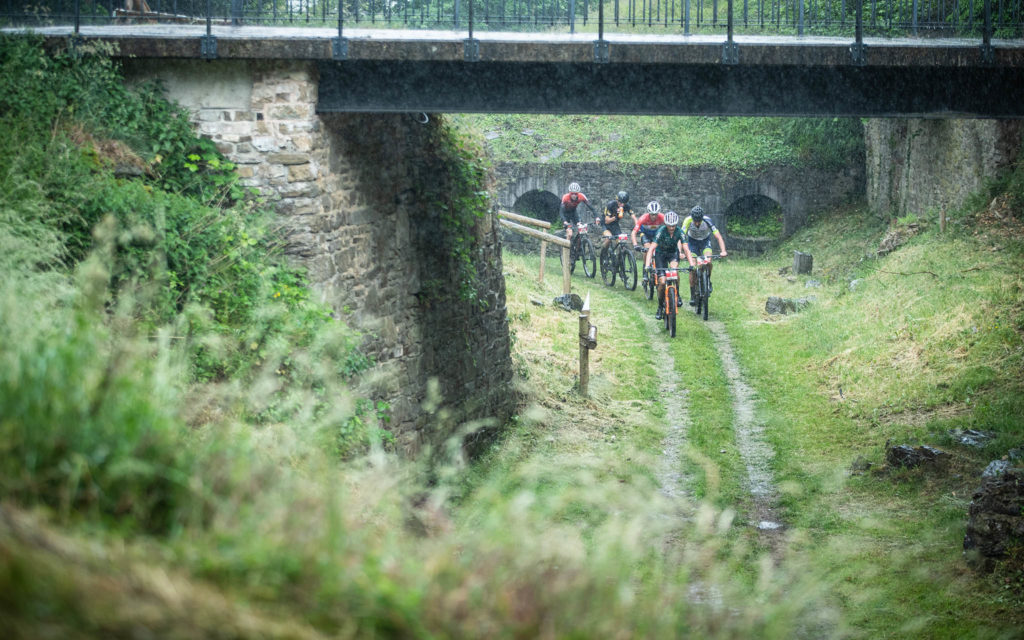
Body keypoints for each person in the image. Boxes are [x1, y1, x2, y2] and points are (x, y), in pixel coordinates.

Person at [681, 205, 728, 306]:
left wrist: (723, 251)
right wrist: (680, 252)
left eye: (699, 221)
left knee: (708, 261)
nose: (697, 223)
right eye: (695, 221)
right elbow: (681, 237)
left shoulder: (707, 220)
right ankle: (693, 294)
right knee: (692, 267)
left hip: (705, 242)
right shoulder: (687, 220)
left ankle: (708, 280)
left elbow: (718, 236)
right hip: (692, 243)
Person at [645, 210, 686, 320]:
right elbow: (651, 249)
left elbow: (685, 247)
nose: (671, 228)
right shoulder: (661, 231)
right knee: (662, 282)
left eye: (673, 225)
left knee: (675, 271)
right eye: (669, 225)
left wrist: (692, 264)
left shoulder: (679, 231)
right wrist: (647, 265)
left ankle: (678, 294)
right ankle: (659, 306)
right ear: (665, 224)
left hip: (672, 253)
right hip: (660, 255)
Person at [631, 200, 665, 273]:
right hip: (645, 234)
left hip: (656, 235)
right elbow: (634, 232)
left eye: (656, 214)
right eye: (652, 214)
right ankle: (645, 270)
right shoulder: (643, 218)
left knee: (658, 250)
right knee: (647, 248)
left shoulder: (662, 217)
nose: (654, 216)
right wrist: (635, 244)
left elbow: (669, 228)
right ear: (649, 213)